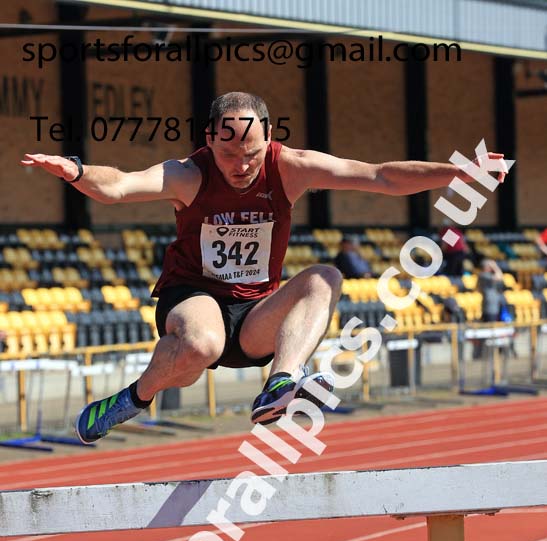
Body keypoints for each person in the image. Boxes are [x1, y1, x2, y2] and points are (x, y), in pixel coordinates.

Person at [21, 91, 507, 444]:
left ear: (270, 138)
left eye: (251, 154)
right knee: (200, 347)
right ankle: (133, 399)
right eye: (229, 153)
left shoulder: (289, 166)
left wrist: (457, 173)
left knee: (326, 277)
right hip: (194, 298)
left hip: (255, 317)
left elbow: (378, 175)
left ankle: (281, 381)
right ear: (209, 140)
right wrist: (79, 172)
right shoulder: (189, 175)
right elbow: (120, 186)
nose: (241, 165)